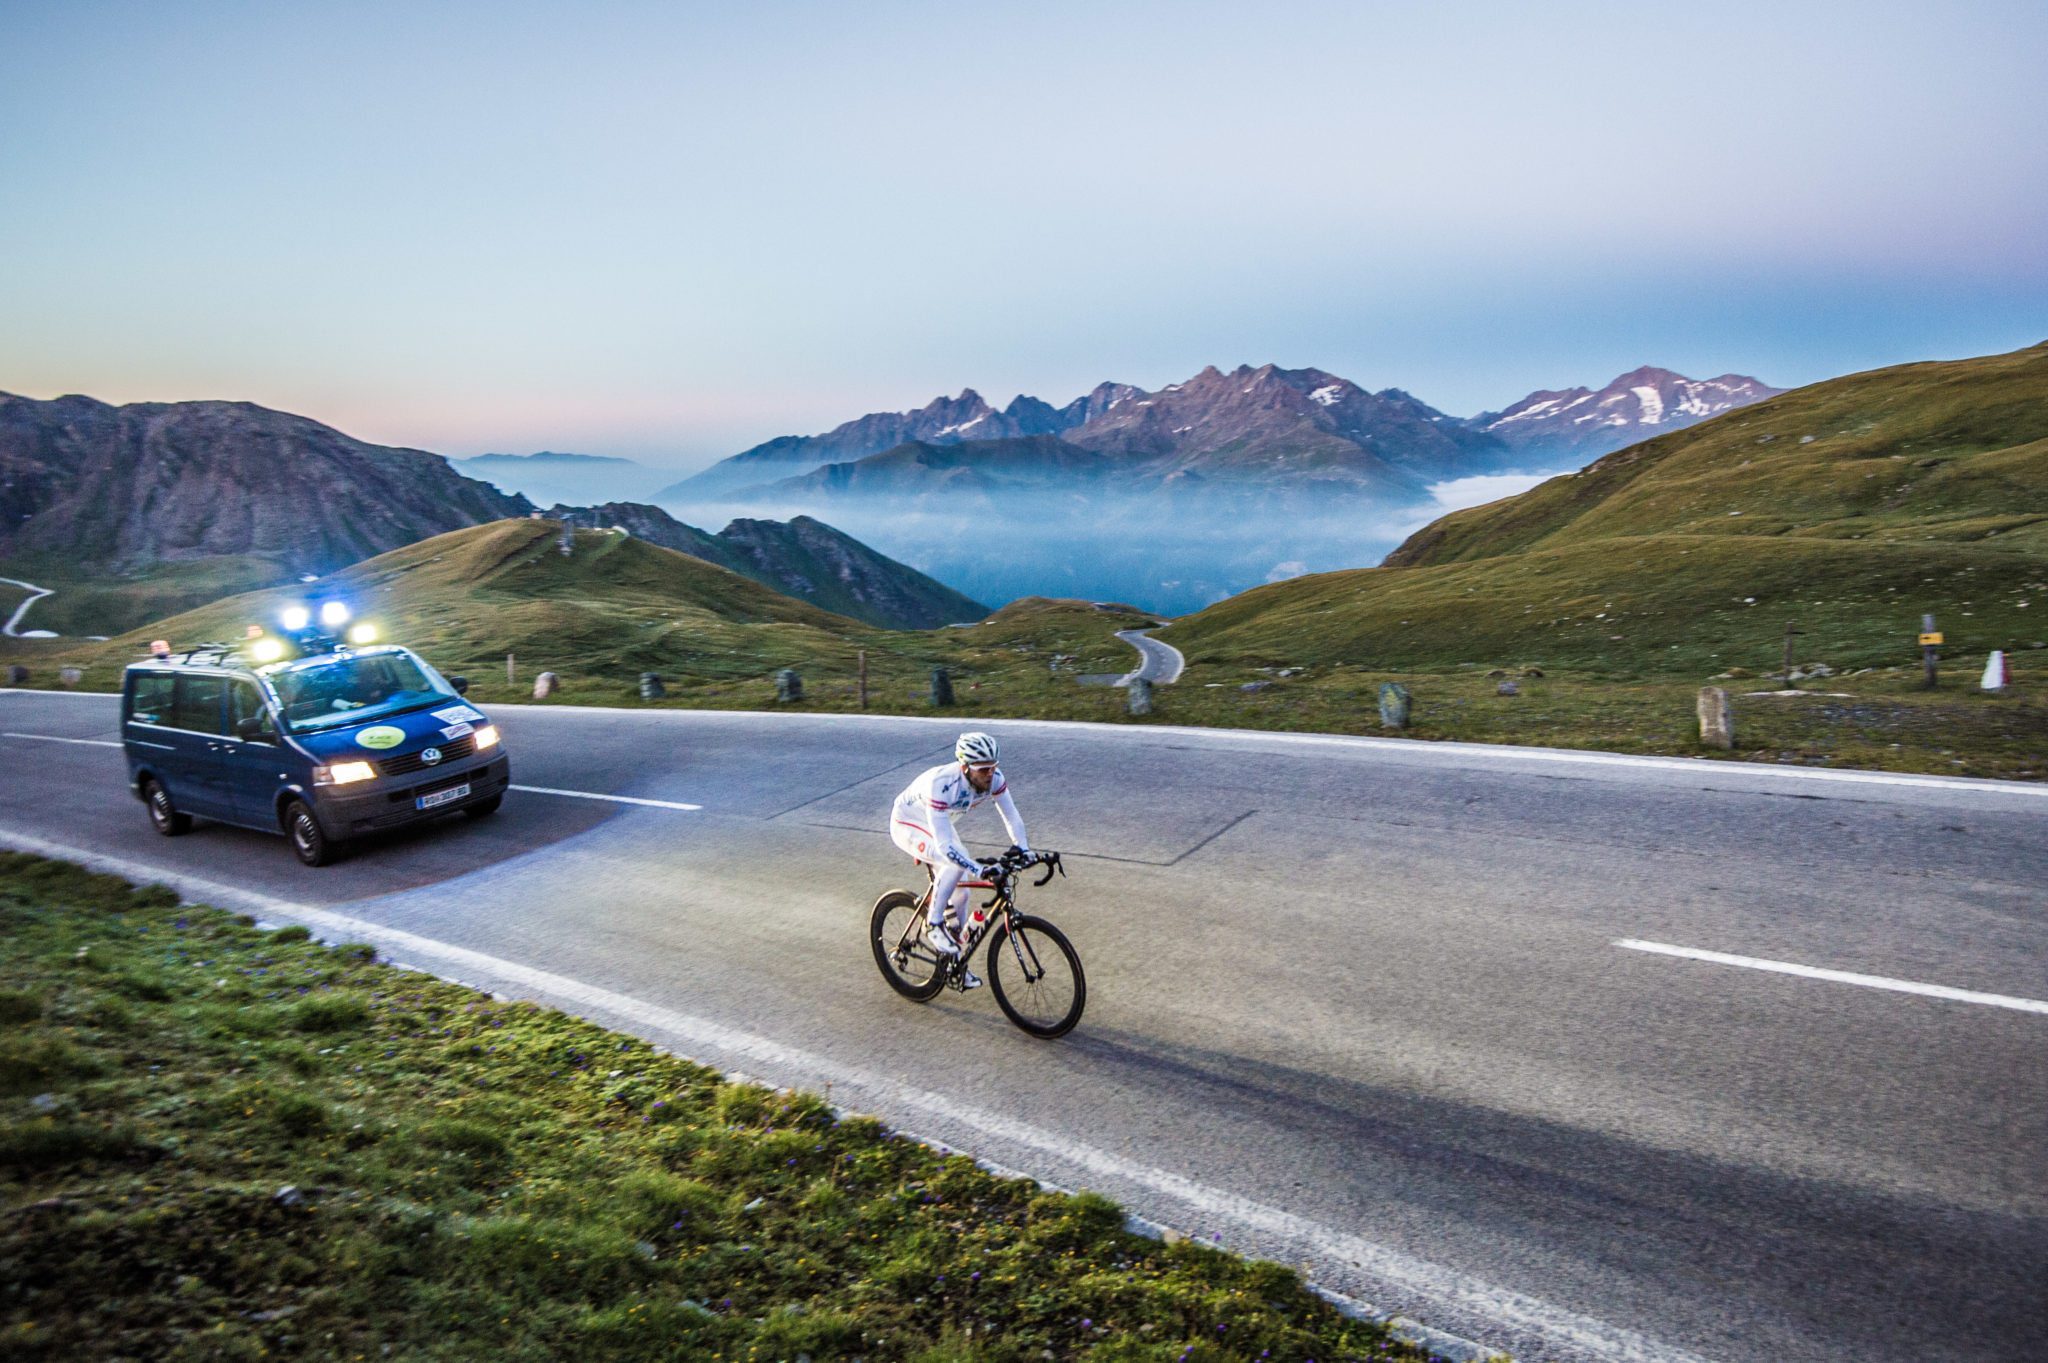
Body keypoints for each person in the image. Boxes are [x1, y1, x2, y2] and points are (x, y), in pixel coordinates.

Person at [889, 731, 1030, 989]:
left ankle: (956, 961)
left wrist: (1024, 849)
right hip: (908, 822)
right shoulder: (942, 784)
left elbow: (1012, 817)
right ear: (965, 767)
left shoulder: (994, 778)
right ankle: (933, 924)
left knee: (962, 896)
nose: (991, 774)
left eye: (993, 767)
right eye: (983, 769)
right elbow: (944, 847)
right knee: (954, 861)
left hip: (937, 823)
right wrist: (979, 869)